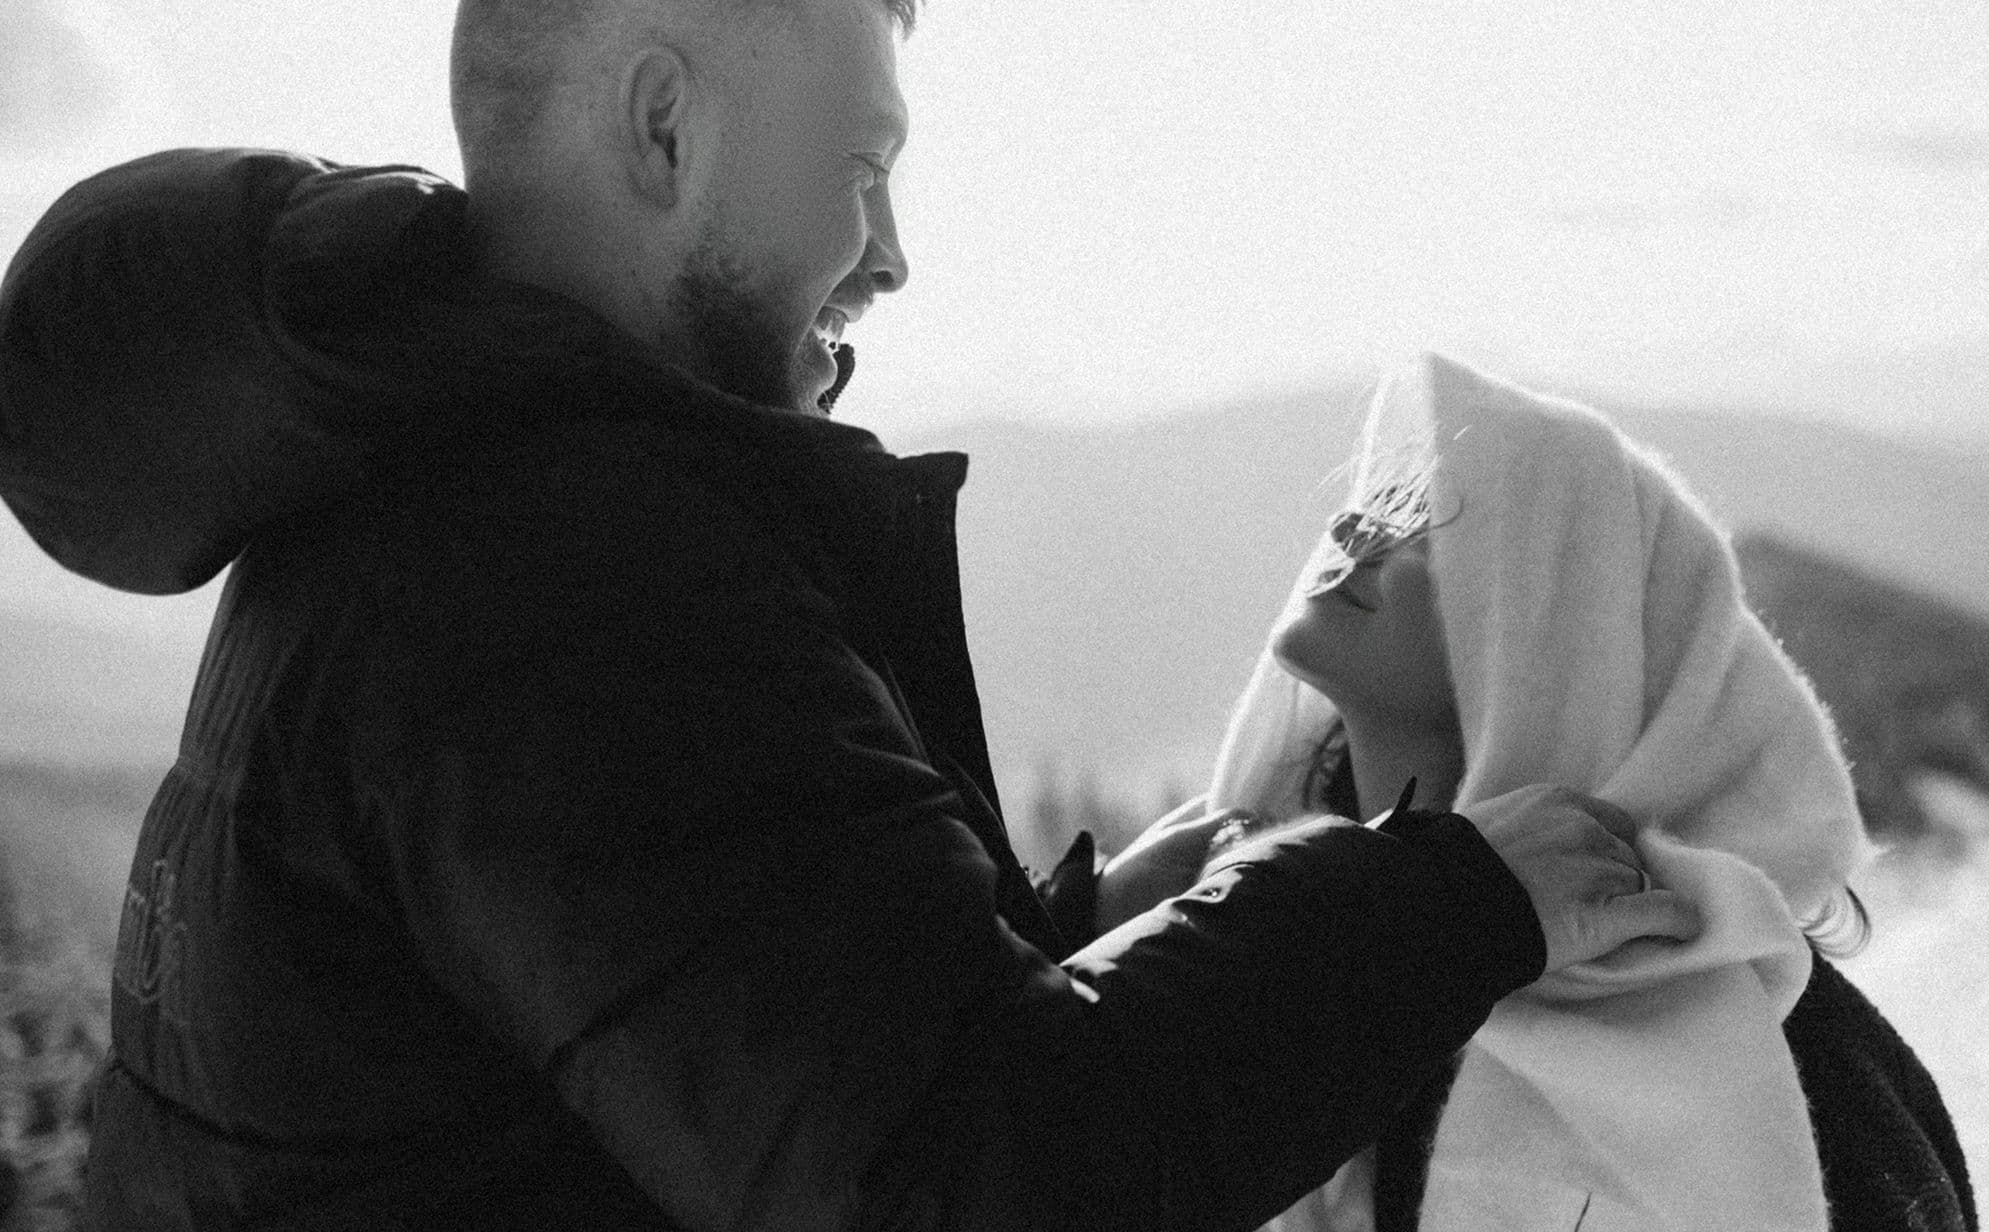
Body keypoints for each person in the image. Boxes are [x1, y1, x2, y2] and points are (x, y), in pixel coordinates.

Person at [0, 2, 1684, 1228]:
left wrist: (1072, 934)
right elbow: (983, 1186)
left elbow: (696, 1048)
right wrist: (1459, 895)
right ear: (664, 124)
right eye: (860, 167)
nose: (889, 254)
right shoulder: (561, 582)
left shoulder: (421, 513)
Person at [1172, 353, 1976, 1231]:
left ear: (1555, 644)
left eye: (1427, 534)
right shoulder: (1283, 934)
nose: (1354, 534)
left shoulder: (1750, 1056)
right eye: (1375, 504)